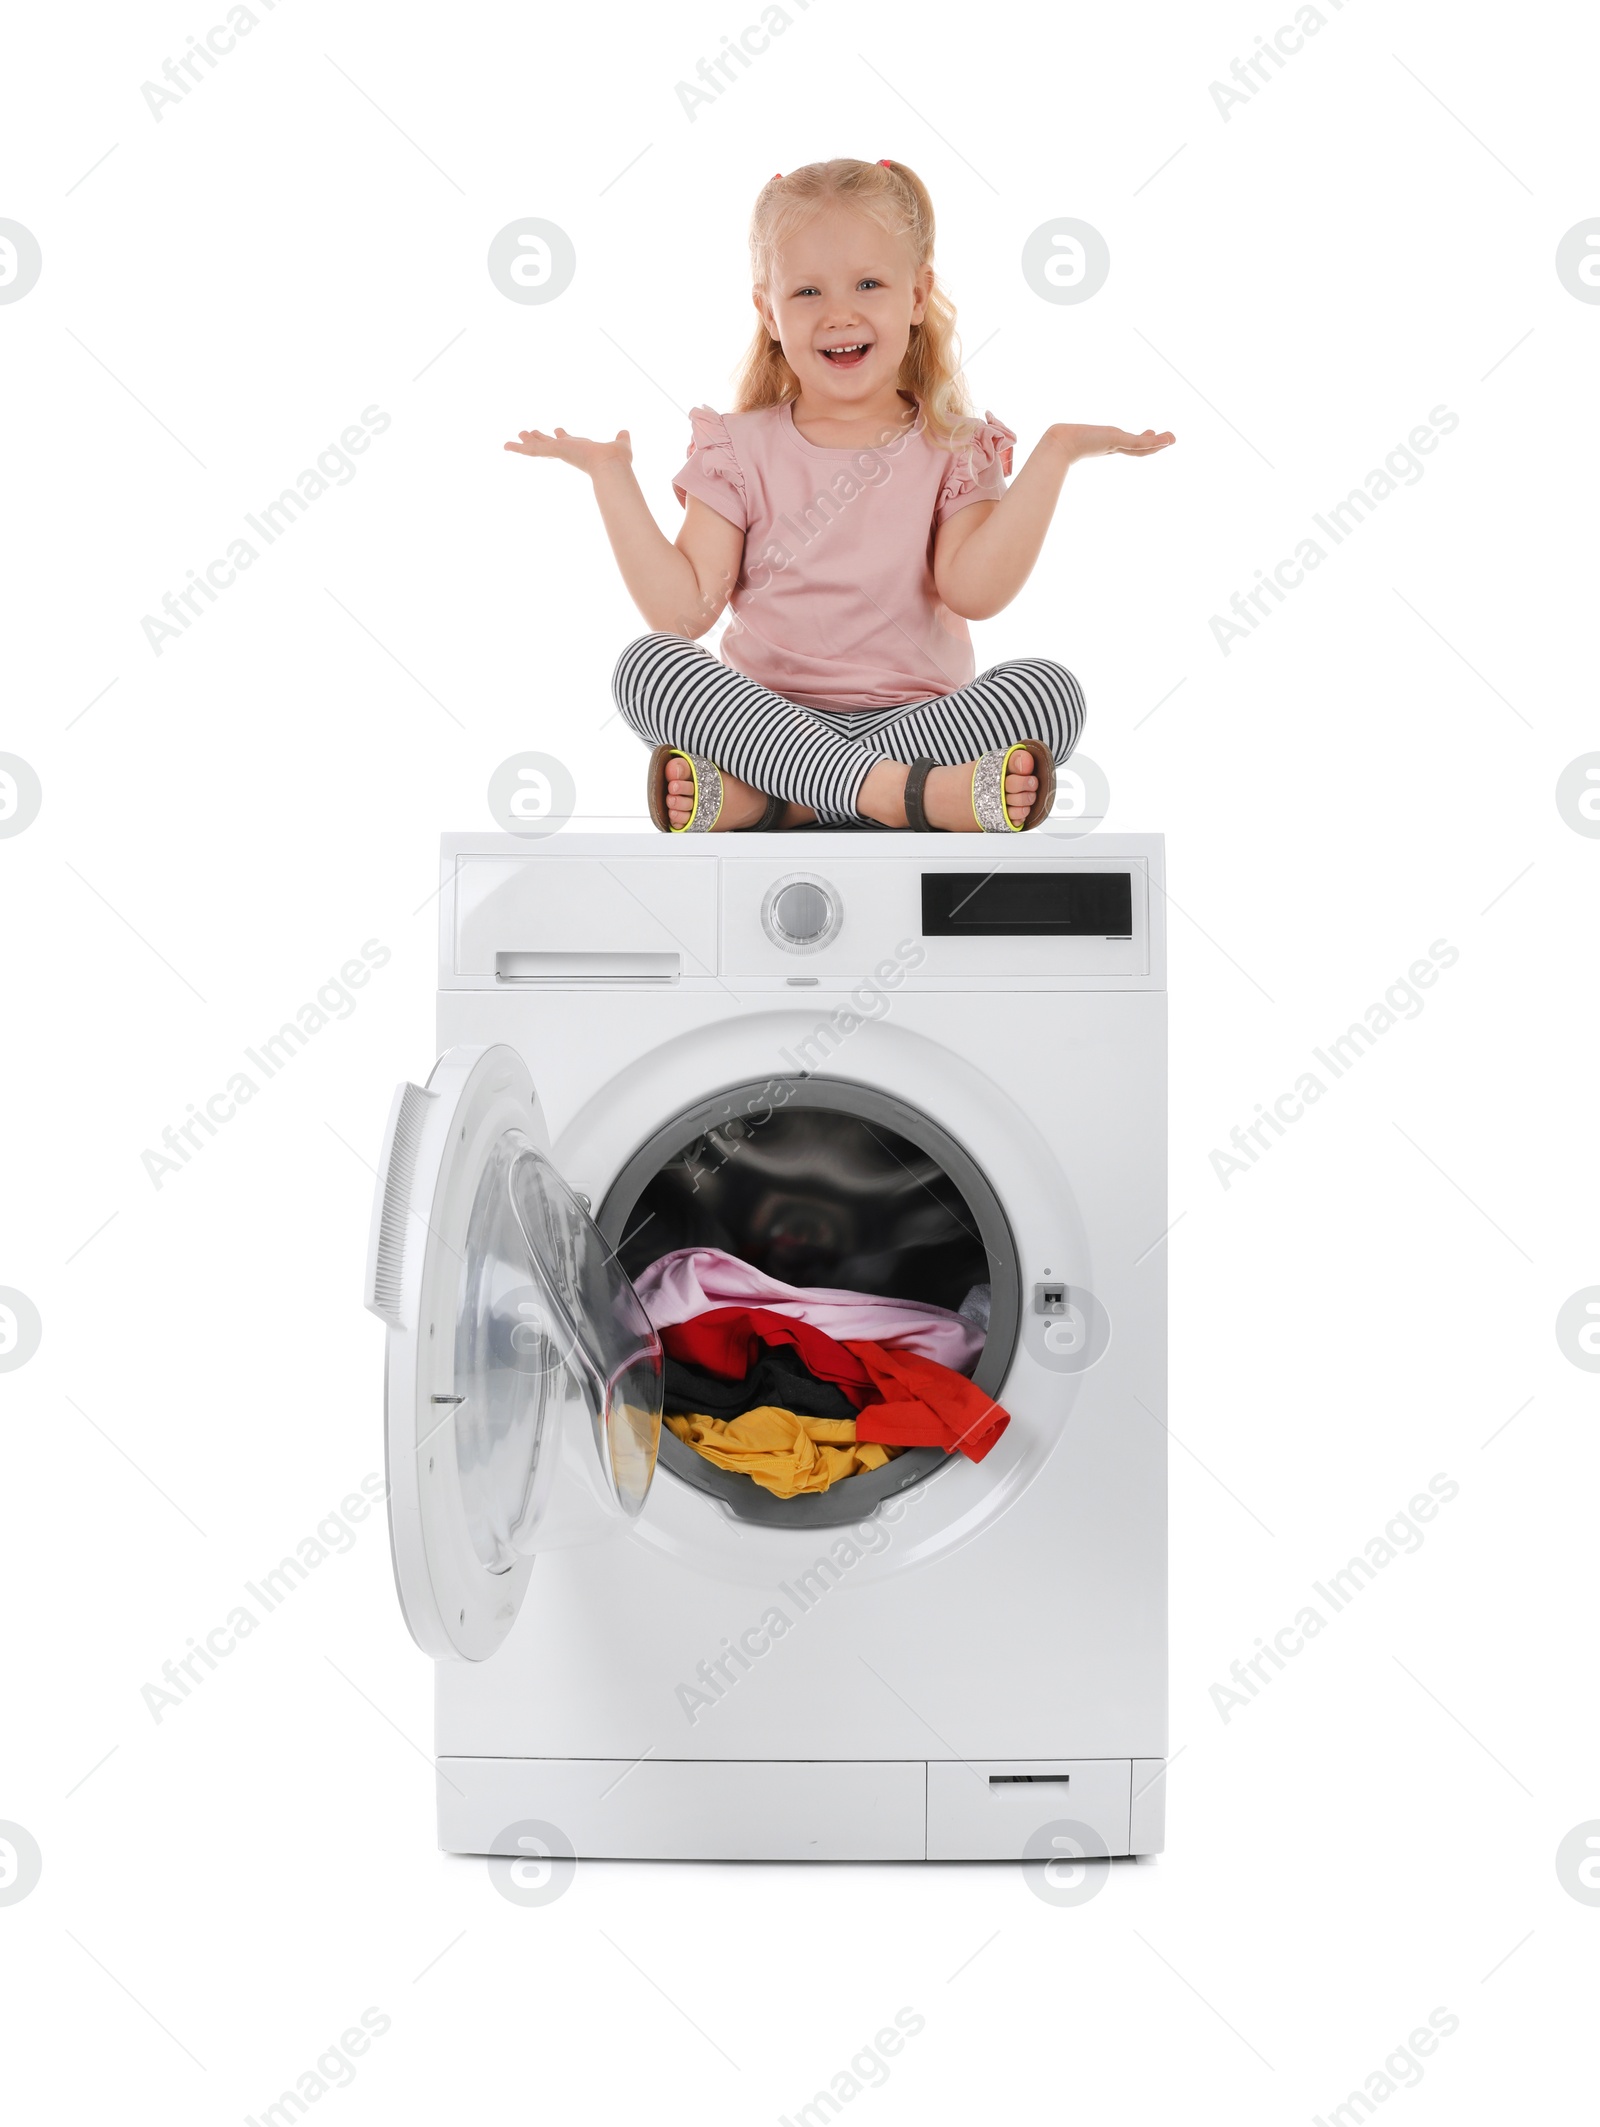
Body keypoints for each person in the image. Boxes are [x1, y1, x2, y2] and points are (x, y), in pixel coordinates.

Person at [506, 157, 1174, 833]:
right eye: (807, 294)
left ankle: (780, 804)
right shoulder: (735, 448)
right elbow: (684, 613)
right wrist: (610, 477)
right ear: (768, 311)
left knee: (1048, 695)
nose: (840, 313)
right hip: (764, 721)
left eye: (868, 283)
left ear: (916, 297)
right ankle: (904, 798)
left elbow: (974, 591)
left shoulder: (954, 446)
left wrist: (1054, 453)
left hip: (914, 726)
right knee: (648, 665)